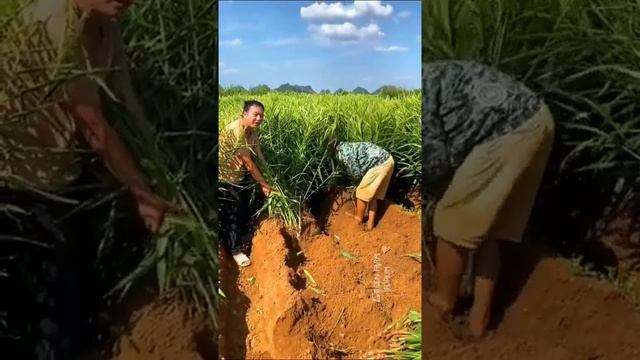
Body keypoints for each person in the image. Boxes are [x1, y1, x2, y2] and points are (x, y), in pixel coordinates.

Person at [2, 0, 166, 358]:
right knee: (53, 307)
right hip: (26, 181)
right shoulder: (54, 23)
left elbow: (124, 96)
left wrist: (155, 153)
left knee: (81, 273)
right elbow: (93, 127)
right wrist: (143, 193)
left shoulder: (105, 20)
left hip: (68, 172)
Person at [423, 60, 555, 339]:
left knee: (450, 218)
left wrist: (430, 194)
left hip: (506, 129)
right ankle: (478, 322)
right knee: (489, 228)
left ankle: (442, 305)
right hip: (538, 118)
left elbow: (436, 160)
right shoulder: (427, 75)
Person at [218, 100, 271, 267]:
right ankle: (235, 250)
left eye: (261, 115)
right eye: (255, 114)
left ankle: (243, 234)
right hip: (225, 179)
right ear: (244, 115)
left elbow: (258, 155)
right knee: (232, 214)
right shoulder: (235, 131)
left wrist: (270, 173)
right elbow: (248, 162)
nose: (259, 118)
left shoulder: (251, 132)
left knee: (243, 208)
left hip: (239, 177)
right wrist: (263, 183)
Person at [330, 139, 395, 230]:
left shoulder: (344, 153)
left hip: (379, 164)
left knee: (361, 192)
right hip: (388, 160)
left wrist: (355, 182)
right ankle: (370, 225)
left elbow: (356, 172)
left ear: (333, 149)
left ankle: (358, 219)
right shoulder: (347, 146)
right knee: (373, 195)